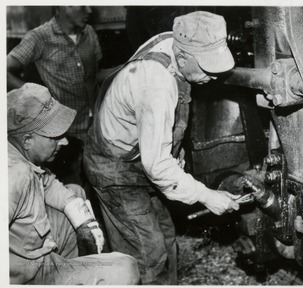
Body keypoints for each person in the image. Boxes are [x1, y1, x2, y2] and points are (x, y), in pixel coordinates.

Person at [83, 11, 240, 285]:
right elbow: (156, 166)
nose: (213, 76)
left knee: (167, 239)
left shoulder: (177, 38)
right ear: (183, 57)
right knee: (147, 255)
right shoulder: (156, 84)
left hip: (138, 158)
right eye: (206, 68)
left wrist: (175, 154)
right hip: (114, 169)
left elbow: (162, 142)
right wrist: (208, 196)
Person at [8, 83, 140, 285]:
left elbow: (46, 181)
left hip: (37, 259)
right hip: (26, 274)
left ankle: (73, 270)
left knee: (74, 194)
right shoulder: (15, 175)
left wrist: (82, 219)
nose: (64, 142)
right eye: (54, 136)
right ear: (27, 140)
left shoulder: (18, 154)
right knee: (125, 269)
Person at [7, 6, 102, 187]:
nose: (89, 10)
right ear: (62, 6)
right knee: (69, 186)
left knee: (94, 185)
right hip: (63, 134)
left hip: (93, 127)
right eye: (82, 4)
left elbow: (95, 76)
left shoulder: (89, 33)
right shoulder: (39, 37)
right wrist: (36, 97)